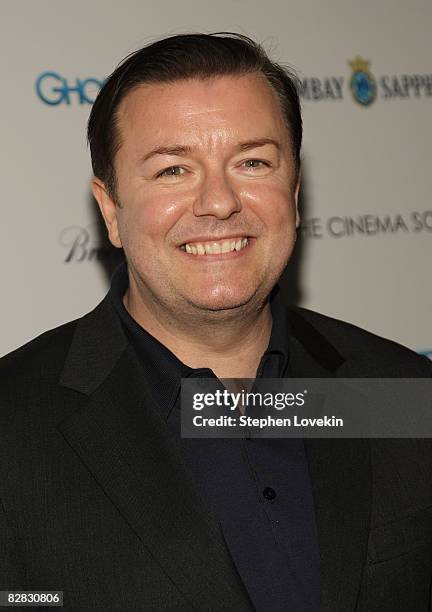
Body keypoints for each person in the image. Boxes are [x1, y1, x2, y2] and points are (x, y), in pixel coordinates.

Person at [1, 33, 431, 612]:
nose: (220, 202)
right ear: (111, 210)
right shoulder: (12, 427)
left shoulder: (402, 393)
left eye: (252, 162)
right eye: (174, 170)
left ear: (295, 191)